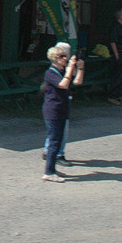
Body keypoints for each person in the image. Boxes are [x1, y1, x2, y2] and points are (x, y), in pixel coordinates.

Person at [42, 42, 84, 182]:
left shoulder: (61, 72)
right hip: (53, 111)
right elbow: (63, 85)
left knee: (58, 140)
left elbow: (76, 82)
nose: (65, 58)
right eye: (62, 56)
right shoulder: (50, 73)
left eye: (65, 56)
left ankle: (52, 168)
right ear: (55, 58)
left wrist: (80, 69)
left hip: (62, 109)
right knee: (54, 141)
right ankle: (49, 172)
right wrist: (70, 68)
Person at [107, 8, 122, 105]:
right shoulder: (115, 27)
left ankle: (118, 94)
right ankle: (112, 96)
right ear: (120, 17)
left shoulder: (121, 27)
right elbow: (113, 42)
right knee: (116, 75)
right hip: (119, 53)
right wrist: (117, 55)